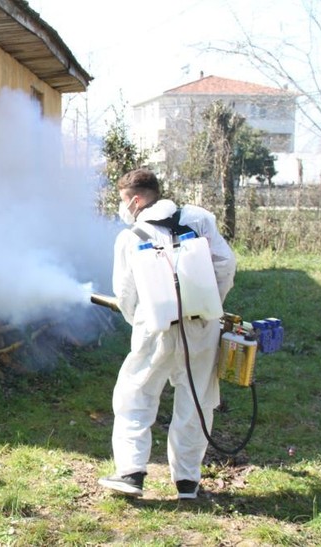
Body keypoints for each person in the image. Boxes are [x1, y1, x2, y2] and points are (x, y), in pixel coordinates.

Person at [99, 168, 236, 500]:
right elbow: (225, 264)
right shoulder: (199, 219)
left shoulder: (131, 237)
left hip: (155, 328)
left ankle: (131, 473)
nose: (122, 208)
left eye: (122, 201)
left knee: (136, 395)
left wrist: (142, 319)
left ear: (135, 199)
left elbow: (125, 293)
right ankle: (187, 483)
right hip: (201, 325)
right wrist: (209, 303)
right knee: (197, 401)